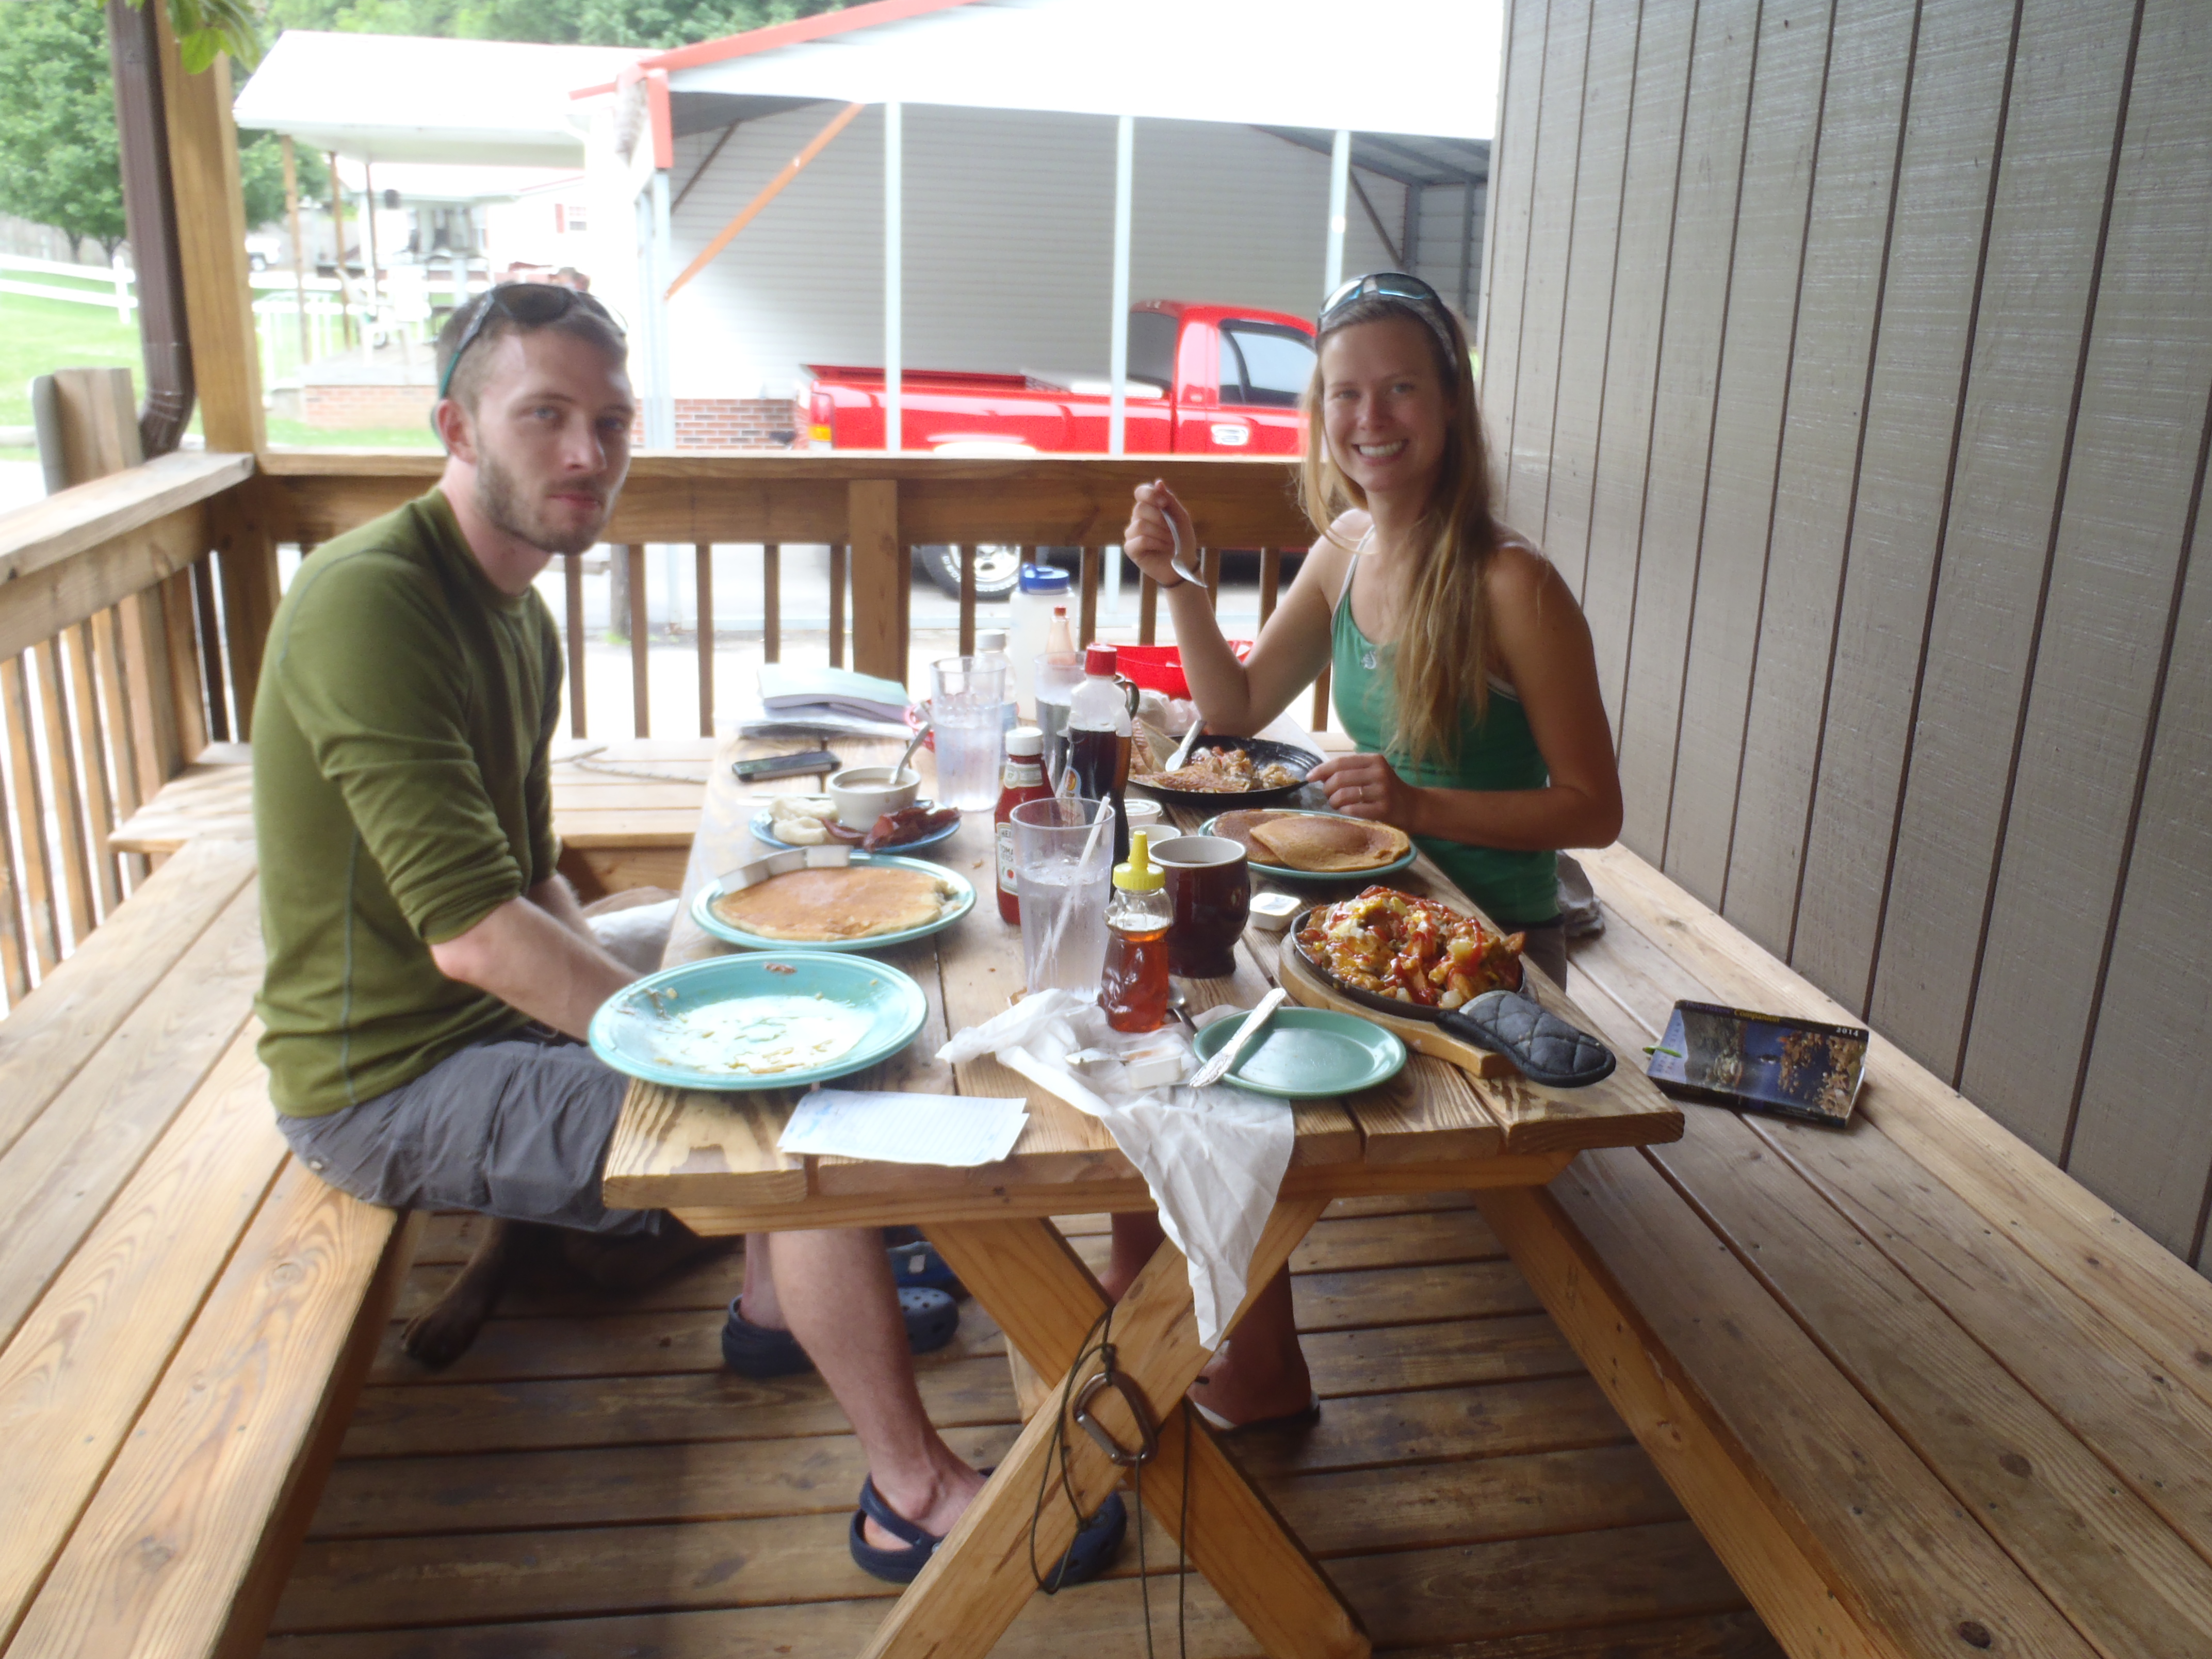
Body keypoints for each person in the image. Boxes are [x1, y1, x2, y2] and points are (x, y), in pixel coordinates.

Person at [252, 282, 1121, 1584]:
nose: (586, 454)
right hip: (381, 1079)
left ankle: (776, 1307)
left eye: (610, 421)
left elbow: (532, 875)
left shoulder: (510, 605)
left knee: (808, 958)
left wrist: (707, 990)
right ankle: (911, 1489)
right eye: (544, 415)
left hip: (472, 1005)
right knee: (792, 1108)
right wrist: (698, 1039)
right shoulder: (369, 602)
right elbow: (477, 940)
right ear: (455, 424)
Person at [1111, 270, 1623, 1429]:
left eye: (1399, 389)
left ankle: (1253, 1375)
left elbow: (1593, 810)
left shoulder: (1512, 584)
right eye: (1345, 394)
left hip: (1485, 959)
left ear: (1448, 407)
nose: (1369, 420)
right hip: (1361, 918)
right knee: (1162, 1040)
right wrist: (1184, 586)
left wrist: (1420, 808)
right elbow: (1233, 705)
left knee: (1218, 1086)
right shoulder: (1343, 546)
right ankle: (1147, 1302)